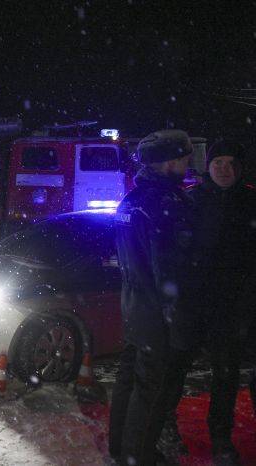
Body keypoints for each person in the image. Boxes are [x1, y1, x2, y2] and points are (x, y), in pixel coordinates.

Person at [108, 130, 201, 465]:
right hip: (158, 313)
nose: (188, 165)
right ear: (169, 162)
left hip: (135, 306)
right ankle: (138, 456)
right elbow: (169, 271)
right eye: (185, 159)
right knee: (153, 390)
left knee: (129, 379)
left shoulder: (132, 200)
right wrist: (177, 322)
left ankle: (120, 449)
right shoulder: (165, 205)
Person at [188, 141, 256, 464]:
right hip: (218, 309)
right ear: (208, 167)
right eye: (218, 163)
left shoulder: (251, 200)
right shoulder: (194, 201)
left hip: (251, 304)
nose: (224, 169)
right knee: (225, 375)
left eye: (230, 163)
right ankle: (221, 439)